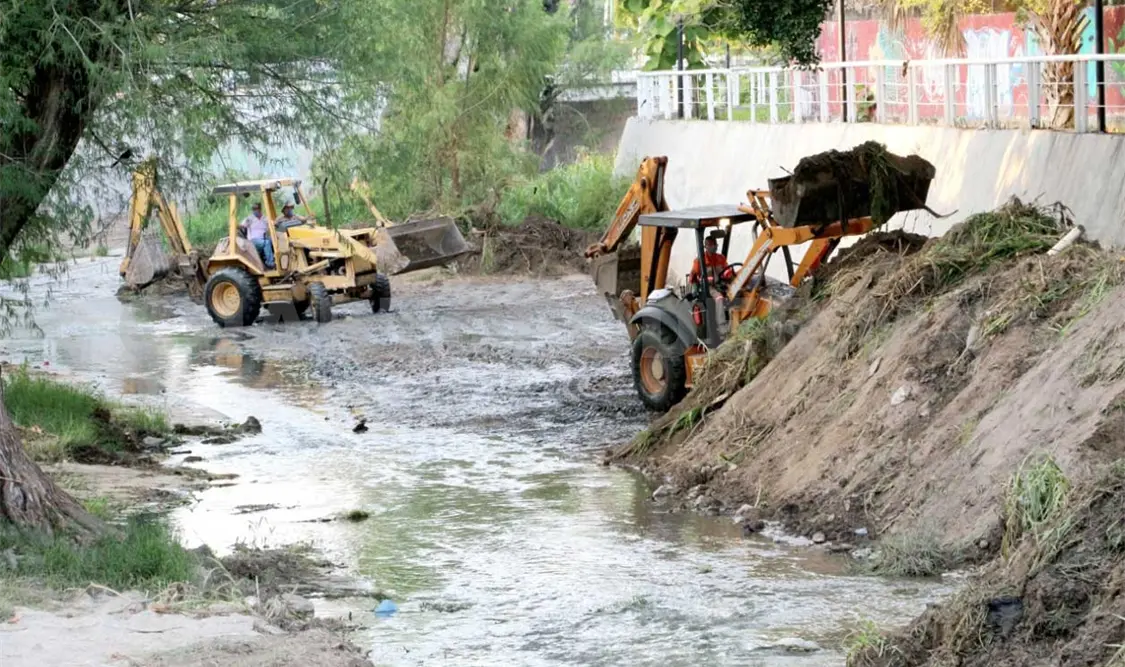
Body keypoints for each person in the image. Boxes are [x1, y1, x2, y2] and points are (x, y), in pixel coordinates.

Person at [239, 202, 275, 269]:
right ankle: (270, 263)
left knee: (275, 241)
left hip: (263, 238)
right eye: (253, 209)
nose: (255, 210)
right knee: (266, 243)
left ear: (260, 209)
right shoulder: (249, 218)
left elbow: (272, 224)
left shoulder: (265, 218)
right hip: (253, 241)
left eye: (256, 208)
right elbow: (241, 226)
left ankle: (277, 260)